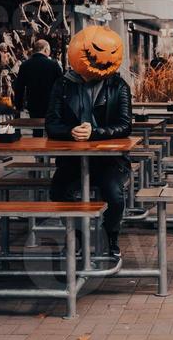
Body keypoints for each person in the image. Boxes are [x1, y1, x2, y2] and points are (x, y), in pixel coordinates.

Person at [45, 26, 132, 259]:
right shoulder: (62, 85)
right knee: (59, 191)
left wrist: (95, 132)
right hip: (72, 160)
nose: (103, 59)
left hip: (110, 161)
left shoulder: (118, 86)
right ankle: (77, 237)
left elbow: (125, 125)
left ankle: (111, 236)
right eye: (95, 53)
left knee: (114, 195)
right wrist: (70, 131)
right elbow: (51, 125)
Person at [13, 39, 62, 119]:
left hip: (33, 105)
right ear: (46, 49)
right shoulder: (53, 65)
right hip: (50, 104)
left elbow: (19, 87)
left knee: (36, 128)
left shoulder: (25, 65)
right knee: (51, 128)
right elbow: (60, 86)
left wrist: (18, 106)